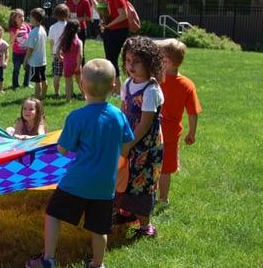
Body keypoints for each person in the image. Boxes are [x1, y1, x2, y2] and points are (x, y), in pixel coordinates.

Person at [25, 59, 134, 268]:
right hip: (104, 185)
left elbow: (63, 148)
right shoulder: (119, 116)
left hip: (76, 182)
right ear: (113, 87)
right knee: (99, 228)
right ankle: (98, 264)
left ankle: (48, 259)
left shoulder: (77, 117)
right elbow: (126, 147)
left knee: (53, 213)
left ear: (82, 85)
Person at [114, 36, 165, 238]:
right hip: (128, 140)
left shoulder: (151, 90)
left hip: (145, 146)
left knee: (141, 183)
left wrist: (129, 144)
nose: (131, 66)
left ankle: (146, 227)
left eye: (136, 61)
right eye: (127, 61)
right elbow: (123, 110)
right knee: (124, 176)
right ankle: (126, 212)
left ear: (149, 62)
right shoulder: (127, 84)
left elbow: (144, 124)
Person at [157, 39, 202, 207]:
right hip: (171, 134)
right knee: (166, 169)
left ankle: (152, 196)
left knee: (153, 164)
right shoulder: (187, 85)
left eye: (159, 56)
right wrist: (192, 133)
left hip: (152, 130)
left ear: (167, 61)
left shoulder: (155, 79)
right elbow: (193, 113)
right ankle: (163, 199)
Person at [95, 0, 129, 95]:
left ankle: (118, 91)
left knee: (112, 59)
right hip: (110, 30)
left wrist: (109, 25)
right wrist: (102, 22)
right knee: (110, 59)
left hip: (118, 30)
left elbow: (124, 15)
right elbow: (103, 12)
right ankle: (116, 90)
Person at [65, 0, 93, 66]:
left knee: (80, 50)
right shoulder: (68, 1)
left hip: (80, 29)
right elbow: (66, 15)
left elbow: (89, 17)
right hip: (69, 28)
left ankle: (81, 68)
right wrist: (67, 18)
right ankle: (70, 67)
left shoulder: (85, 1)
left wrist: (77, 19)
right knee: (69, 49)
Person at [24, 8, 48, 100]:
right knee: (43, 78)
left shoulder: (33, 32)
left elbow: (30, 49)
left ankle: (36, 97)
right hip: (43, 60)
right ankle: (43, 95)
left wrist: (25, 60)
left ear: (34, 18)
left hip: (35, 61)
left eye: (30, 16)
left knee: (37, 81)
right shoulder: (43, 29)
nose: (29, 18)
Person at [58, 20, 84, 101]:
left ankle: (68, 99)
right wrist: (78, 65)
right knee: (80, 82)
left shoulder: (64, 40)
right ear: (78, 29)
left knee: (68, 83)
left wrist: (60, 58)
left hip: (67, 65)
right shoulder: (79, 42)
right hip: (76, 64)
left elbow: (57, 51)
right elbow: (80, 55)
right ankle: (84, 95)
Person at [47, 4, 69, 98]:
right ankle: (69, 93)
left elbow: (51, 41)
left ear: (55, 14)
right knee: (68, 75)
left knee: (57, 74)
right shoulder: (69, 26)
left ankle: (56, 93)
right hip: (68, 53)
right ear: (67, 14)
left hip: (57, 53)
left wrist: (52, 51)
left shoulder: (52, 27)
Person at [8, 9, 31, 89]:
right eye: (19, 16)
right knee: (16, 69)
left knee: (28, 68)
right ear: (15, 19)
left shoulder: (26, 27)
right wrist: (16, 34)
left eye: (23, 16)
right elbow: (11, 42)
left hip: (26, 53)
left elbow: (30, 36)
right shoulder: (13, 29)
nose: (22, 18)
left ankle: (26, 84)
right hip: (17, 53)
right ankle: (15, 85)